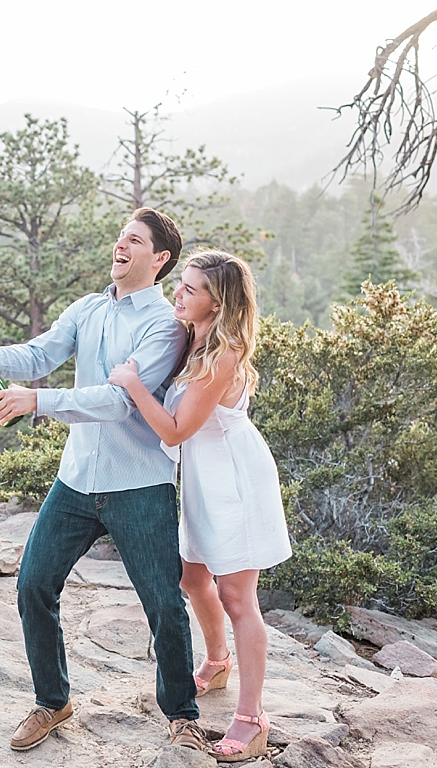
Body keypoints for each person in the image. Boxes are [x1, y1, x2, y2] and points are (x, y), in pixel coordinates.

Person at [0, 207, 206, 753]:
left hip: (139, 484)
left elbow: (119, 402)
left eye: (134, 241)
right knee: (33, 585)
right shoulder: (88, 308)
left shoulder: (165, 327)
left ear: (159, 259)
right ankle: (53, 701)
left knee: (163, 602)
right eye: (120, 237)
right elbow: (41, 352)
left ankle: (182, 715)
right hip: (75, 482)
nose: (121, 245)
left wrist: (37, 402)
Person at [107, 250, 291, 762]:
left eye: (190, 289)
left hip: (234, 481)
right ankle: (218, 658)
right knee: (192, 578)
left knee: (238, 598)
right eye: (181, 284)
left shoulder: (224, 352)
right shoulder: (193, 333)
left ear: (218, 302)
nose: (178, 294)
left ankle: (252, 718)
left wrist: (132, 385)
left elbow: (176, 428)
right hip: (203, 480)